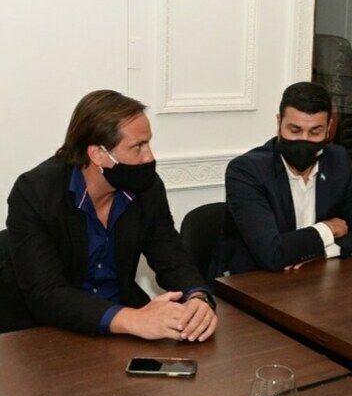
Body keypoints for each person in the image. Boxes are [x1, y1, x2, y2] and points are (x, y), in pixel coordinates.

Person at [5, 89, 218, 340]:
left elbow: (171, 255)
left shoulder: (147, 187)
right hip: (50, 329)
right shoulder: (35, 193)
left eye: (148, 143)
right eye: (138, 147)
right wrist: (133, 319)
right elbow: (46, 293)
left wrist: (198, 297)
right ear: (98, 154)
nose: (149, 157)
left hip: (124, 325)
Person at [212, 81, 352, 275]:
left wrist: (323, 250)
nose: (304, 139)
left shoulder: (336, 162)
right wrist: (327, 230)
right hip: (250, 285)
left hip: (312, 280)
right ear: (279, 123)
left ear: (329, 128)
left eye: (315, 131)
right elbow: (272, 254)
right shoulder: (247, 171)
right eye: (295, 130)